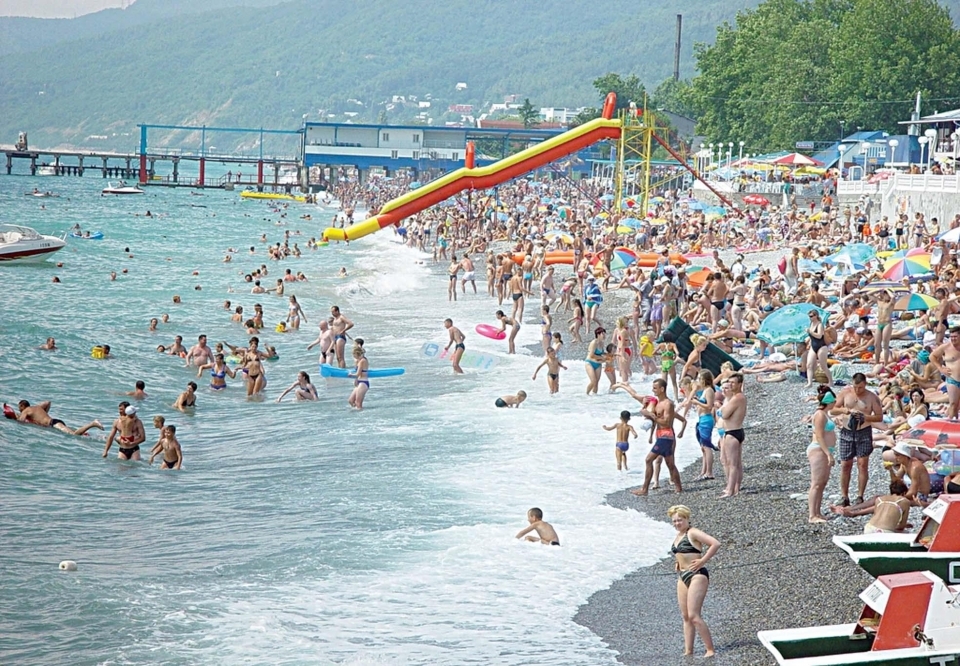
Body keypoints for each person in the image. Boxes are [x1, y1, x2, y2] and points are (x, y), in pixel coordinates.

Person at [667, 505, 719, 657]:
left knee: (694, 616)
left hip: (697, 575)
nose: (677, 523)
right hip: (683, 575)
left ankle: (710, 649)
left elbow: (715, 543)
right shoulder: (678, 535)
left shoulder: (693, 532)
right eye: (674, 521)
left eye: (680, 520)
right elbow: (682, 553)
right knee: (685, 617)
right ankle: (688, 650)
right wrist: (678, 562)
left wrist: (702, 561)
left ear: (687, 519)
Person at [831, 372, 883, 506]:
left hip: (863, 432)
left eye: (860, 387)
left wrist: (865, 417)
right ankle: (844, 496)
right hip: (847, 431)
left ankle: (860, 495)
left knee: (862, 464)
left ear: (865, 384)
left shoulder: (872, 397)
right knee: (845, 465)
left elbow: (879, 416)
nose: (857, 390)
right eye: (855, 387)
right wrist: (844, 410)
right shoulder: (845, 393)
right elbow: (832, 409)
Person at [626, 378, 683, 495]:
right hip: (660, 436)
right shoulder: (656, 403)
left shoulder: (668, 404)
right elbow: (648, 414)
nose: (653, 390)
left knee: (648, 460)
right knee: (670, 464)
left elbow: (666, 422)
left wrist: (652, 415)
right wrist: (644, 408)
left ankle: (644, 489)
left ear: (662, 389)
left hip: (666, 436)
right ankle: (679, 488)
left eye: (655, 388)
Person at [831, 480, 912, 533]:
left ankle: (850, 511)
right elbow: (901, 527)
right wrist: (903, 525)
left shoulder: (880, 499)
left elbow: (876, 512)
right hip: (884, 532)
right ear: (904, 493)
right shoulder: (904, 501)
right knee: (905, 533)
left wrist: (854, 513)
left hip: (869, 528)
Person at [808, 386, 837, 523]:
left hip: (825, 449)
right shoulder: (820, 414)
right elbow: (819, 436)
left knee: (822, 482)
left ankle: (818, 512)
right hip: (819, 449)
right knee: (816, 483)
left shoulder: (825, 414)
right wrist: (828, 454)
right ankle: (812, 515)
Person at [719, 372, 747, 498]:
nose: (731, 385)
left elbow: (725, 414)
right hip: (737, 430)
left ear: (740, 384)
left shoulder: (737, 398)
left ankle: (730, 490)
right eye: (729, 382)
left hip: (732, 432)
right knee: (736, 463)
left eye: (733, 383)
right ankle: (736, 488)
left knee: (732, 464)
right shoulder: (740, 397)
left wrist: (722, 409)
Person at [684, 369, 717, 481]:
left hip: (706, 419)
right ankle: (703, 471)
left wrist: (697, 402)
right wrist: (697, 400)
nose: (698, 381)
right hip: (702, 419)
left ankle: (709, 472)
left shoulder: (709, 390)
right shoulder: (704, 391)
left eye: (699, 378)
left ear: (704, 379)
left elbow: (709, 406)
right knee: (703, 447)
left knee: (707, 447)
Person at [14, 400, 102, 437]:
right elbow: (48, 402)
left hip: (53, 424)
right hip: (54, 421)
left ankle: (93, 423)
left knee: (74, 435)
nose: (20, 410)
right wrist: (45, 415)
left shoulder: (26, 410)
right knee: (75, 432)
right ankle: (97, 435)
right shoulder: (37, 407)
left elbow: (21, 421)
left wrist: (15, 418)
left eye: (19, 408)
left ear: (22, 405)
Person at [931, 326, 960, 419]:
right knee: (953, 404)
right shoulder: (946, 347)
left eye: (955, 336)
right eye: (951, 337)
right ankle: (951, 422)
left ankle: (956, 422)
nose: (953, 339)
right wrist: (940, 368)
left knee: (958, 406)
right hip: (953, 379)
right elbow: (932, 356)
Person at [584, 327, 607, 395]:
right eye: (603, 334)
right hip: (590, 362)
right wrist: (602, 358)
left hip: (598, 364)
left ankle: (594, 397)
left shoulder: (602, 343)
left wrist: (609, 355)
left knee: (596, 382)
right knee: (593, 381)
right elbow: (592, 355)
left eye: (605, 334)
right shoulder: (594, 342)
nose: (604, 335)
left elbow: (602, 353)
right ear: (598, 334)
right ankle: (586, 394)